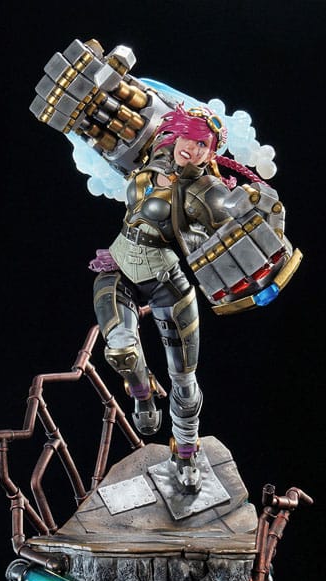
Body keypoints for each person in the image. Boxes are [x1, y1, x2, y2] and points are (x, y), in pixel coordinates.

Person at [89, 104, 267, 493]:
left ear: (212, 152)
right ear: (177, 132)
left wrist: (254, 210)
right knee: (120, 351)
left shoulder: (208, 192)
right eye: (190, 138)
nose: (193, 149)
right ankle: (142, 394)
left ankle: (185, 453)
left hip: (167, 282)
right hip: (117, 267)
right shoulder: (152, 157)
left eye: (204, 145)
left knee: (184, 383)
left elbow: (236, 236)